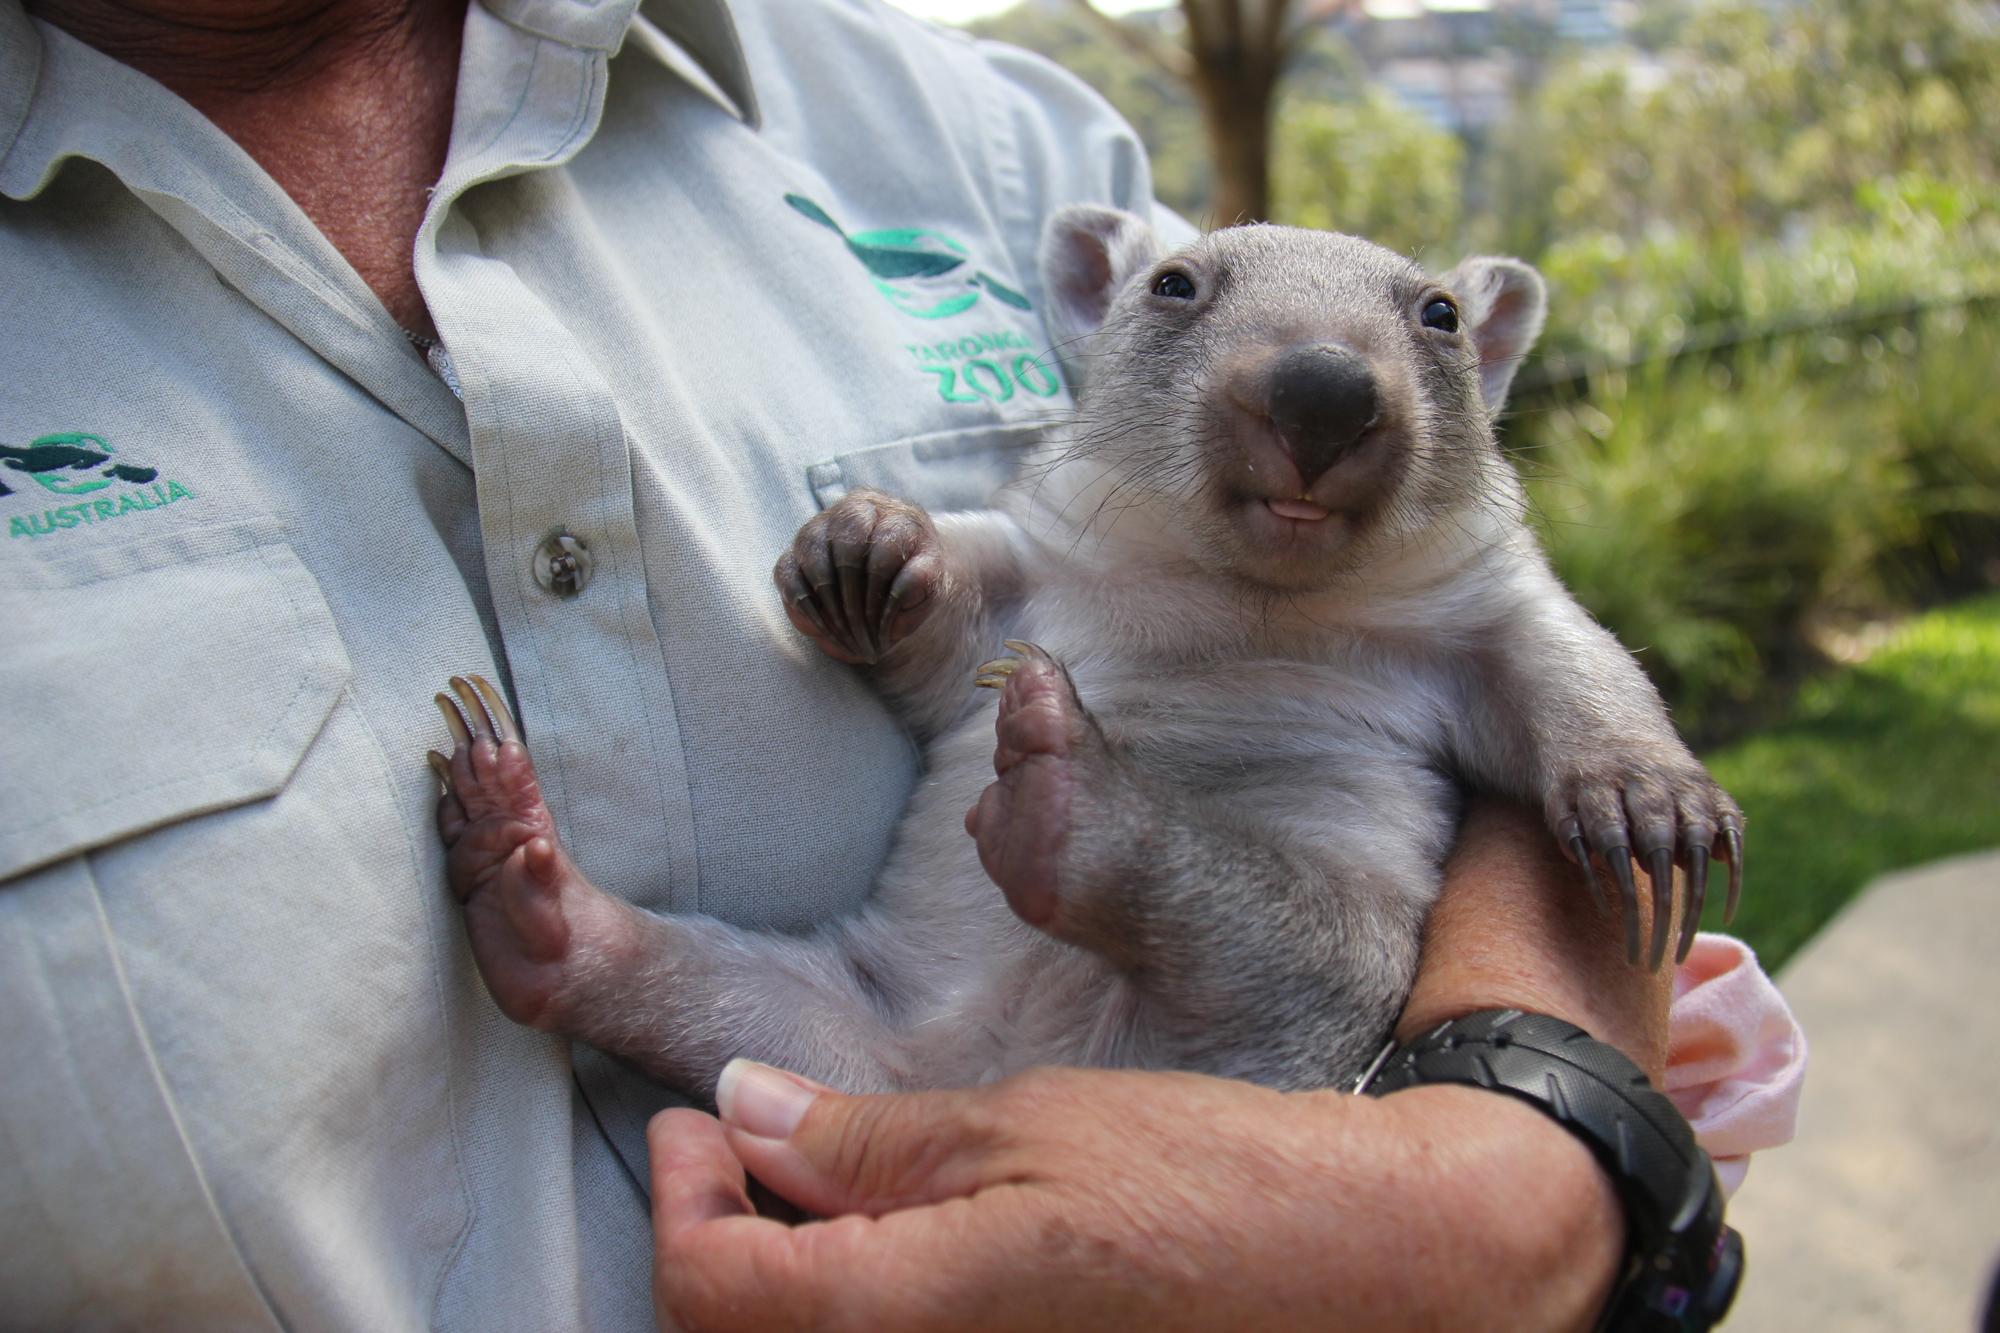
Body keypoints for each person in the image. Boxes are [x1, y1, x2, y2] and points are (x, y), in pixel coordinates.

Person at [0, 0, 1799, 1328]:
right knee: (813, 1008)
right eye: (1188, 313)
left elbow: (1556, 727)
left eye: (1424, 339)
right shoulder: (1113, 395)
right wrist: (938, 594)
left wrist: (1513, 1172)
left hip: (1248, 1010)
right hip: (892, 1023)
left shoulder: (971, 143)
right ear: (1125, 311)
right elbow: (1035, 588)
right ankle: (596, 950)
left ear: (1477, 357)